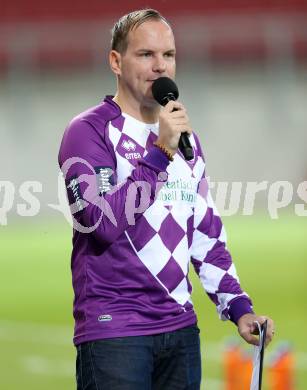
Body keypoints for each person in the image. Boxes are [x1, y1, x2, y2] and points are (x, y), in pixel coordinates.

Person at [58, 8, 274, 390]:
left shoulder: (184, 139)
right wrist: (160, 152)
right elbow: (102, 224)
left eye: (168, 55)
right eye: (146, 55)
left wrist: (239, 308)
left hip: (180, 331)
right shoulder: (88, 131)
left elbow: (206, 234)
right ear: (115, 61)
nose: (160, 66)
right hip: (115, 333)